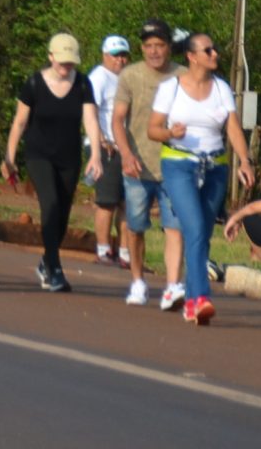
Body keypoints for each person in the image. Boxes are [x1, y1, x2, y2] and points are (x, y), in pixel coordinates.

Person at [149, 30, 254, 325]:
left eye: (215, 49)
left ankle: (193, 302)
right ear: (192, 56)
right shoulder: (171, 88)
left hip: (215, 166)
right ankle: (200, 298)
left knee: (203, 233)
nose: (215, 54)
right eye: (208, 50)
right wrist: (171, 133)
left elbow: (233, 127)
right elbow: (152, 129)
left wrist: (244, 161)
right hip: (179, 166)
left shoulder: (221, 88)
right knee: (193, 227)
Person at [4, 32, 106, 292]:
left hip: (69, 156)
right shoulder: (34, 84)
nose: (66, 67)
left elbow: (91, 121)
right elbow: (20, 122)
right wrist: (9, 156)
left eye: (70, 62)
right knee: (49, 205)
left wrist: (95, 154)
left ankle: (46, 260)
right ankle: (55, 269)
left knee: (61, 214)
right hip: (39, 155)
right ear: (50, 57)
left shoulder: (83, 84)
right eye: (61, 62)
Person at [111, 17, 182, 308]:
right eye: (149, 46)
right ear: (142, 48)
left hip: (174, 165)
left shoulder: (184, 75)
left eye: (160, 45)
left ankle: (172, 286)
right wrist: (126, 154)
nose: (154, 51)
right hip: (137, 165)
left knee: (175, 227)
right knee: (136, 227)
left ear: (169, 47)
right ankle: (138, 281)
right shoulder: (130, 76)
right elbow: (117, 119)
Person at [87, 34, 131, 265]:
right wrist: (101, 140)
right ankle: (103, 250)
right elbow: (91, 110)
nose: (120, 60)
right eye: (115, 56)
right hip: (106, 147)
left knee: (127, 202)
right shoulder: (99, 77)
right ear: (105, 55)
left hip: (125, 147)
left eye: (123, 56)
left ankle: (125, 253)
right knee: (107, 201)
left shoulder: (126, 80)